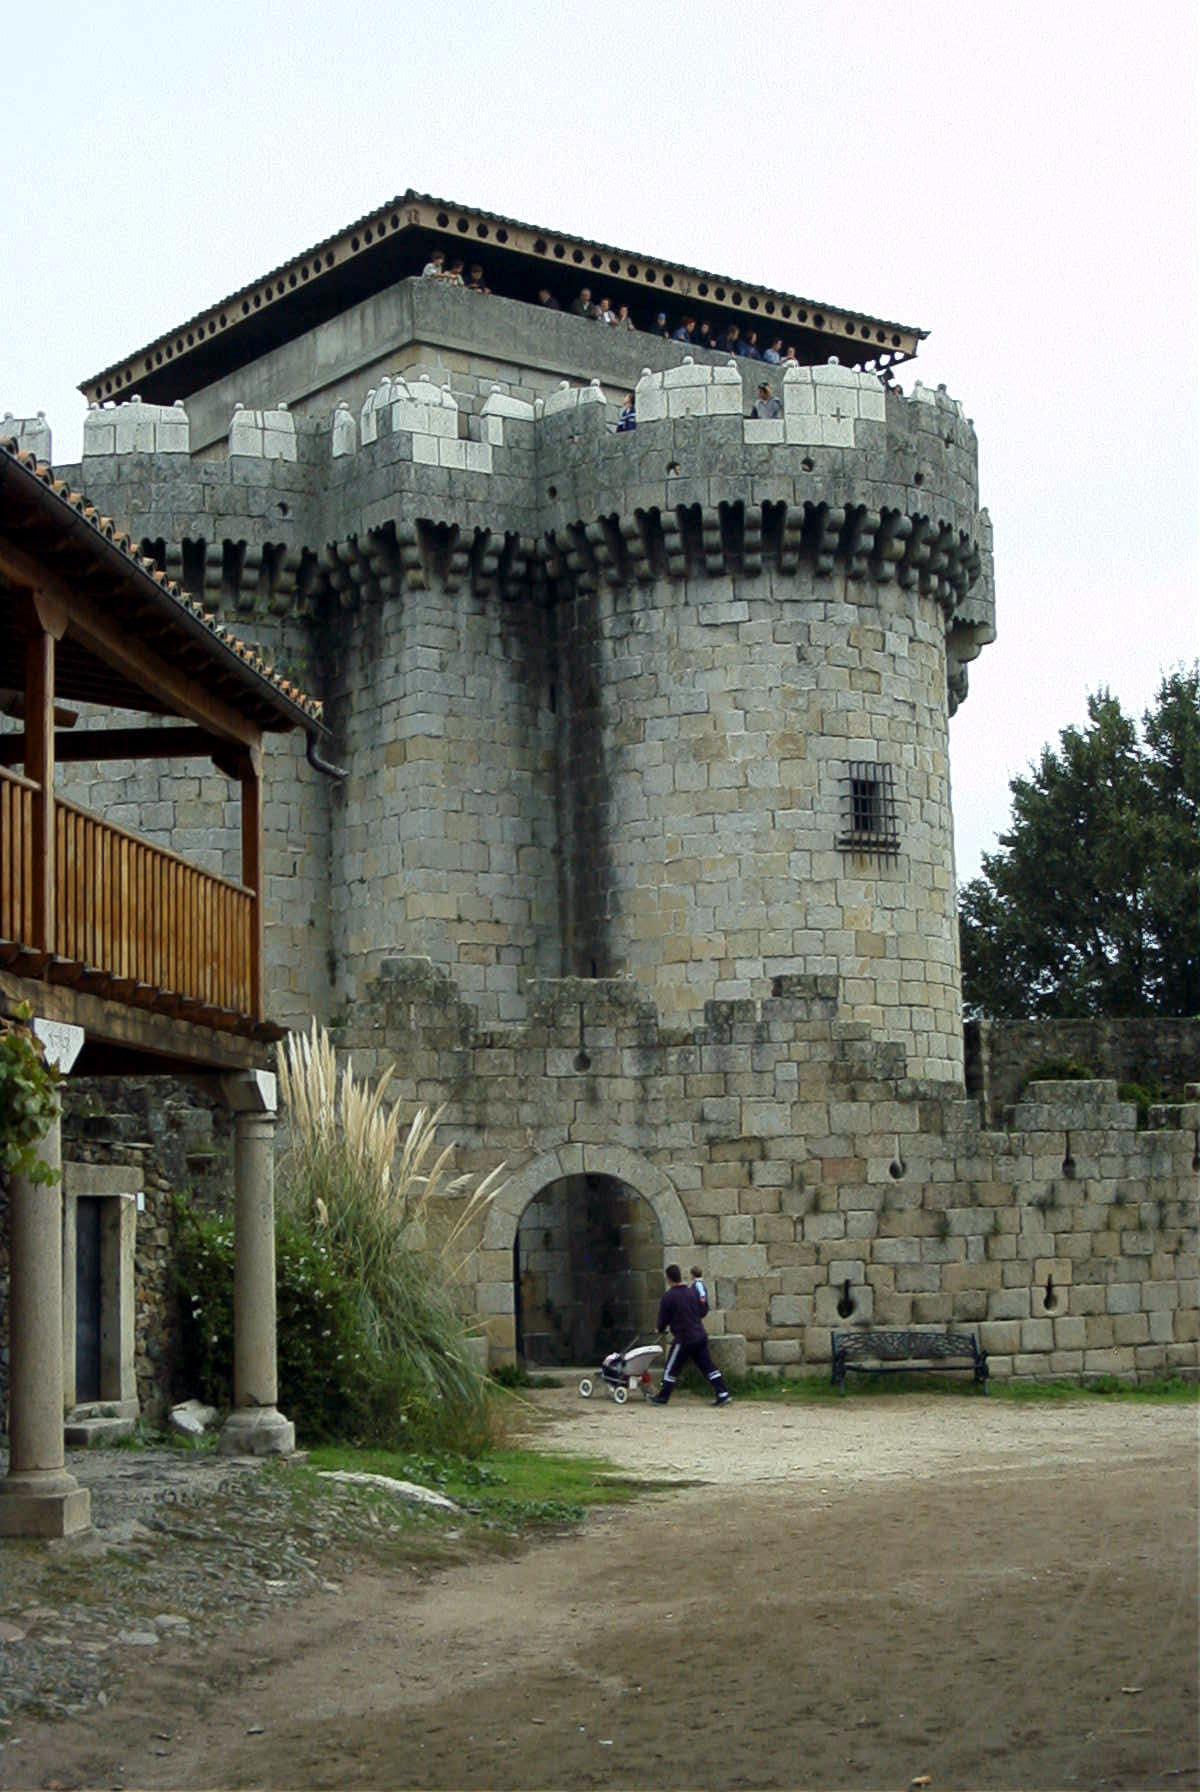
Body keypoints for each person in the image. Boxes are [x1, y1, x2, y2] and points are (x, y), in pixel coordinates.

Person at [651, 1264, 732, 1407]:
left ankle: (663, 1397)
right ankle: (723, 1393)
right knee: (708, 1366)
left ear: (668, 1278)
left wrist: (659, 1328)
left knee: (671, 1368)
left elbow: (663, 1319)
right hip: (699, 1335)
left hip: (684, 1338)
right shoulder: (692, 1292)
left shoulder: (669, 1297)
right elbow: (702, 1310)